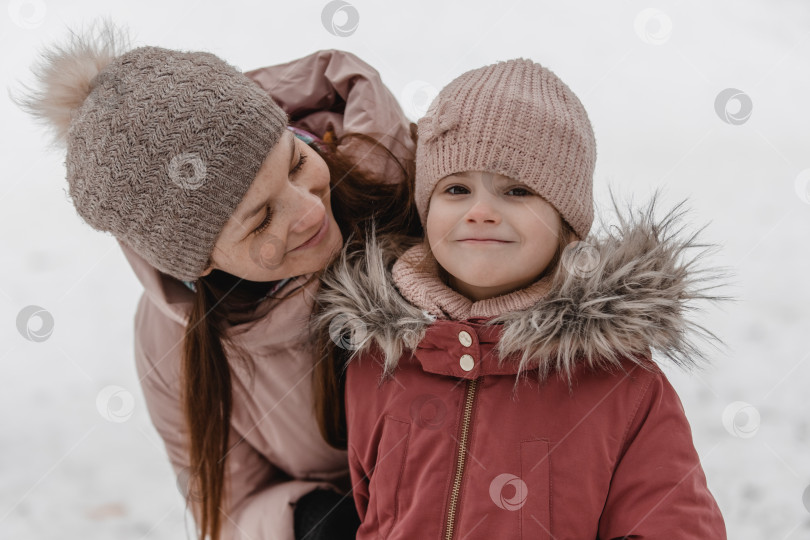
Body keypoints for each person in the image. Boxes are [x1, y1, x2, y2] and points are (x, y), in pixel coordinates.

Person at [13, 18, 422, 540]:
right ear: (200, 263)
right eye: (261, 218)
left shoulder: (427, 185)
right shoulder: (173, 343)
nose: (307, 211)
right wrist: (308, 520)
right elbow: (231, 506)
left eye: (297, 161)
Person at [311, 58, 731, 538]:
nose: (482, 211)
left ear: (568, 226)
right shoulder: (378, 361)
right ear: (426, 213)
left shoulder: (621, 385)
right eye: (456, 188)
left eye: (516, 189)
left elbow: (674, 527)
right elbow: (377, 519)